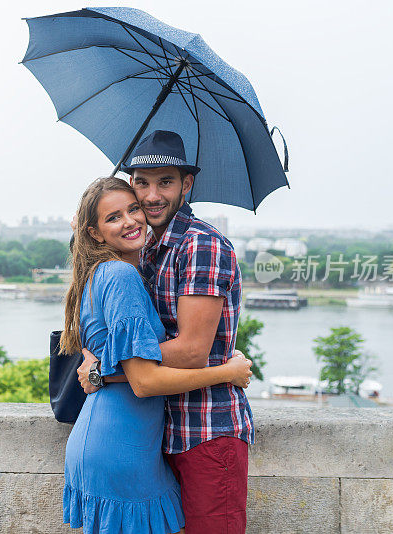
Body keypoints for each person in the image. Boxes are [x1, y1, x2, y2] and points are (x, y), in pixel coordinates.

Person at [78, 130, 254, 533]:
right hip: (162, 434)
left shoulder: (200, 246)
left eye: (165, 182)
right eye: (141, 182)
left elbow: (192, 351)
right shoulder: (149, 252)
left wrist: (103, 371)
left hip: (207, 430)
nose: (152, 195)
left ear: (186, 184)